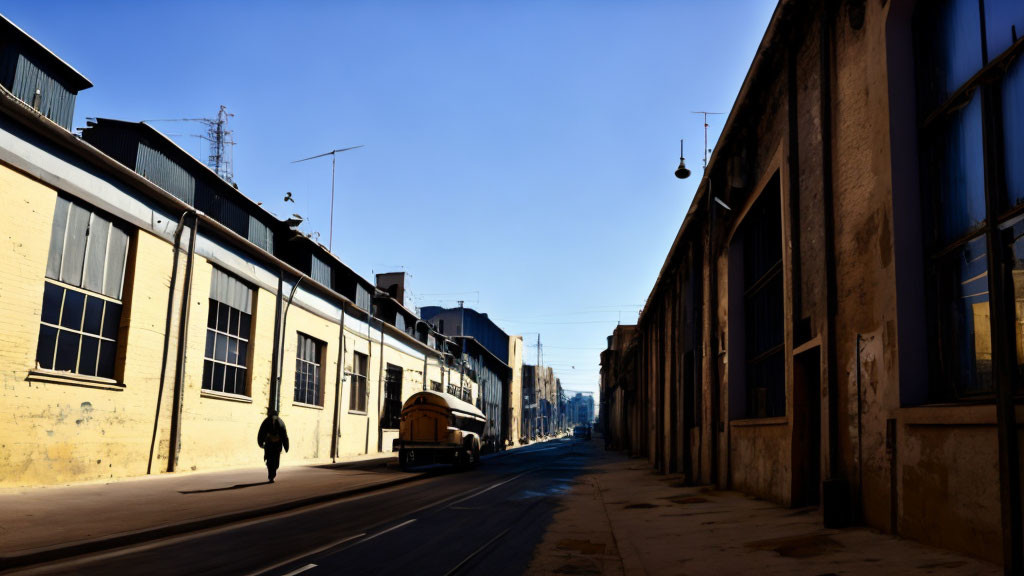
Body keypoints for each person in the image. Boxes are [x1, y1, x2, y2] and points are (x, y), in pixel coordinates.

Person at [257, 410, 289, 483]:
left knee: (275, 461)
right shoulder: (267, 422)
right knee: (270, 461)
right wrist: (261, 442)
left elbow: (284, 435)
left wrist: (286, 445)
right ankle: (271, 475)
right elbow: (262, 432)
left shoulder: (280, 423)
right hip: (269, 445)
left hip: (276, 446)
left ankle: (272, 474)